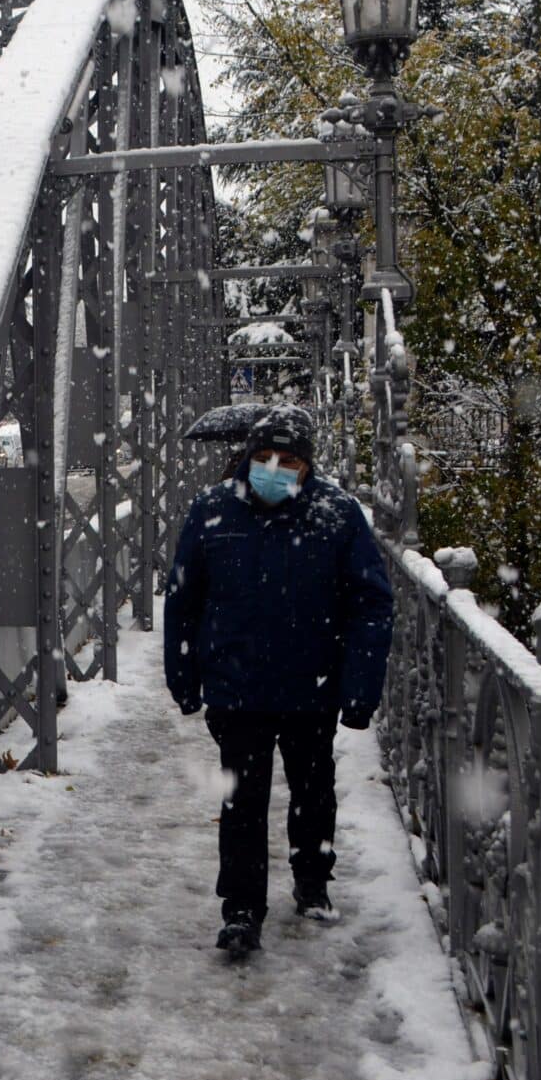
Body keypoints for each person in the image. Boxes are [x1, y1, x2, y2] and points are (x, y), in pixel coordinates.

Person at [162, 405, 395, 960]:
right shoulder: (212, 510)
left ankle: (312, 878)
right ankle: (241, 911)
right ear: (246, 457)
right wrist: (183, 674)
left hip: (310, 685)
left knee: (313, 791)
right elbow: (183, 598)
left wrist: (359, 688)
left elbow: (371, 603)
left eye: (288, 460)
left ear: (307, 465)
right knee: (242, 799)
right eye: (263, 457)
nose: (274, 467)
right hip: (236, 686)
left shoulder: (337, 515)